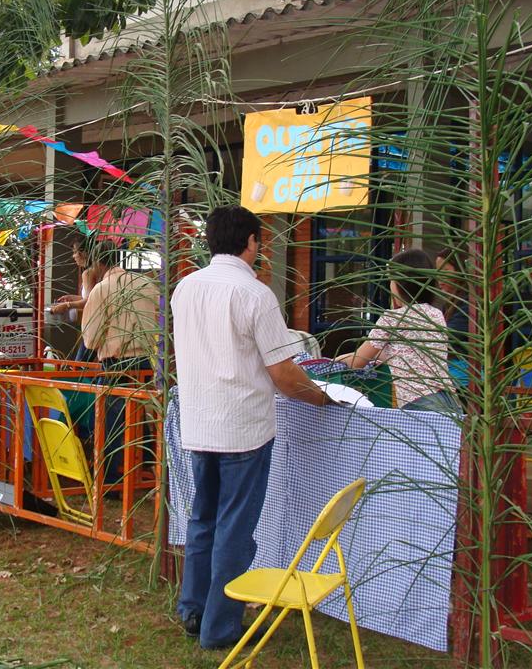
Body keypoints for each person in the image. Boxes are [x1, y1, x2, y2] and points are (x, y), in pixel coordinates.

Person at [172, 205, 330, 651]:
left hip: (200, 422)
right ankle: (220, 628)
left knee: (202, 520)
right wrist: (319, 397)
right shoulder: (255, 294)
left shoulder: (184, 289)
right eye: (260, 241)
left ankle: (194, 608)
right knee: (234, 530)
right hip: (243, 428)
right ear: (253, 242)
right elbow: (283, 373)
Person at [336, 248, 460, 413]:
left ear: (401, 283)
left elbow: (358, 361)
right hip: (448, 400)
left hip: (420, 403)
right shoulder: (435, 314)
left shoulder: (393, 319)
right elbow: (404, 352)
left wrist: (334, 361)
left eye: (391, 279)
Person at [80, 245, 159, 482]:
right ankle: (148, 465)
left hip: (117, 363)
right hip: (145, 360)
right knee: (142, 413)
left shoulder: (102, 289)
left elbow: (91, 339)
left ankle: (112, 477)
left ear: (97, 265)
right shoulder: (147, 284)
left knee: (111, 420)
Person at [436, 248, 470, 385]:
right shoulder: (450, 303)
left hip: (465, 378)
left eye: (445, 271)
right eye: (438, 272)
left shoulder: (470, 304)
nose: (440, 278)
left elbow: (448, 336)